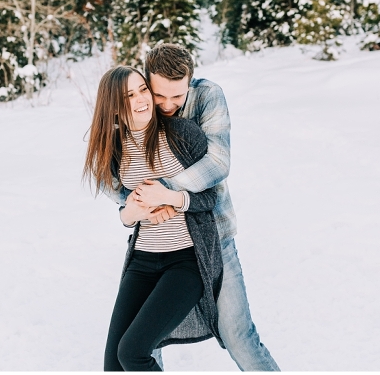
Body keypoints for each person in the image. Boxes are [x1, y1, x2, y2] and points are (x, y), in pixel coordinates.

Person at [105, 44, 281, 371]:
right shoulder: (138, 104)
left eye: (178, 96)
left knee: (236, 332)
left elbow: (217, 163)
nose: (168, 105)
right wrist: (136, 207)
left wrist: (166, 194)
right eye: (159, 96)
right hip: (155, 244)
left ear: (191, 81)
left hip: (213, 233)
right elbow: (118, 178)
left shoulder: (208, 96)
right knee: (140, 344)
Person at [83, 66, 224, 371]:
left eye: (142, 90)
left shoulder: (181, 134)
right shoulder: (115, 149)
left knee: (132, 352)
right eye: (128, 95)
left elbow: (211, 197)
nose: (140, 99)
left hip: (186, 261)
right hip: (143, 262)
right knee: (114, 364)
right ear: (114, 105)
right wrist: (129, 215)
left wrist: (173, 198)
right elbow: (126, 210)